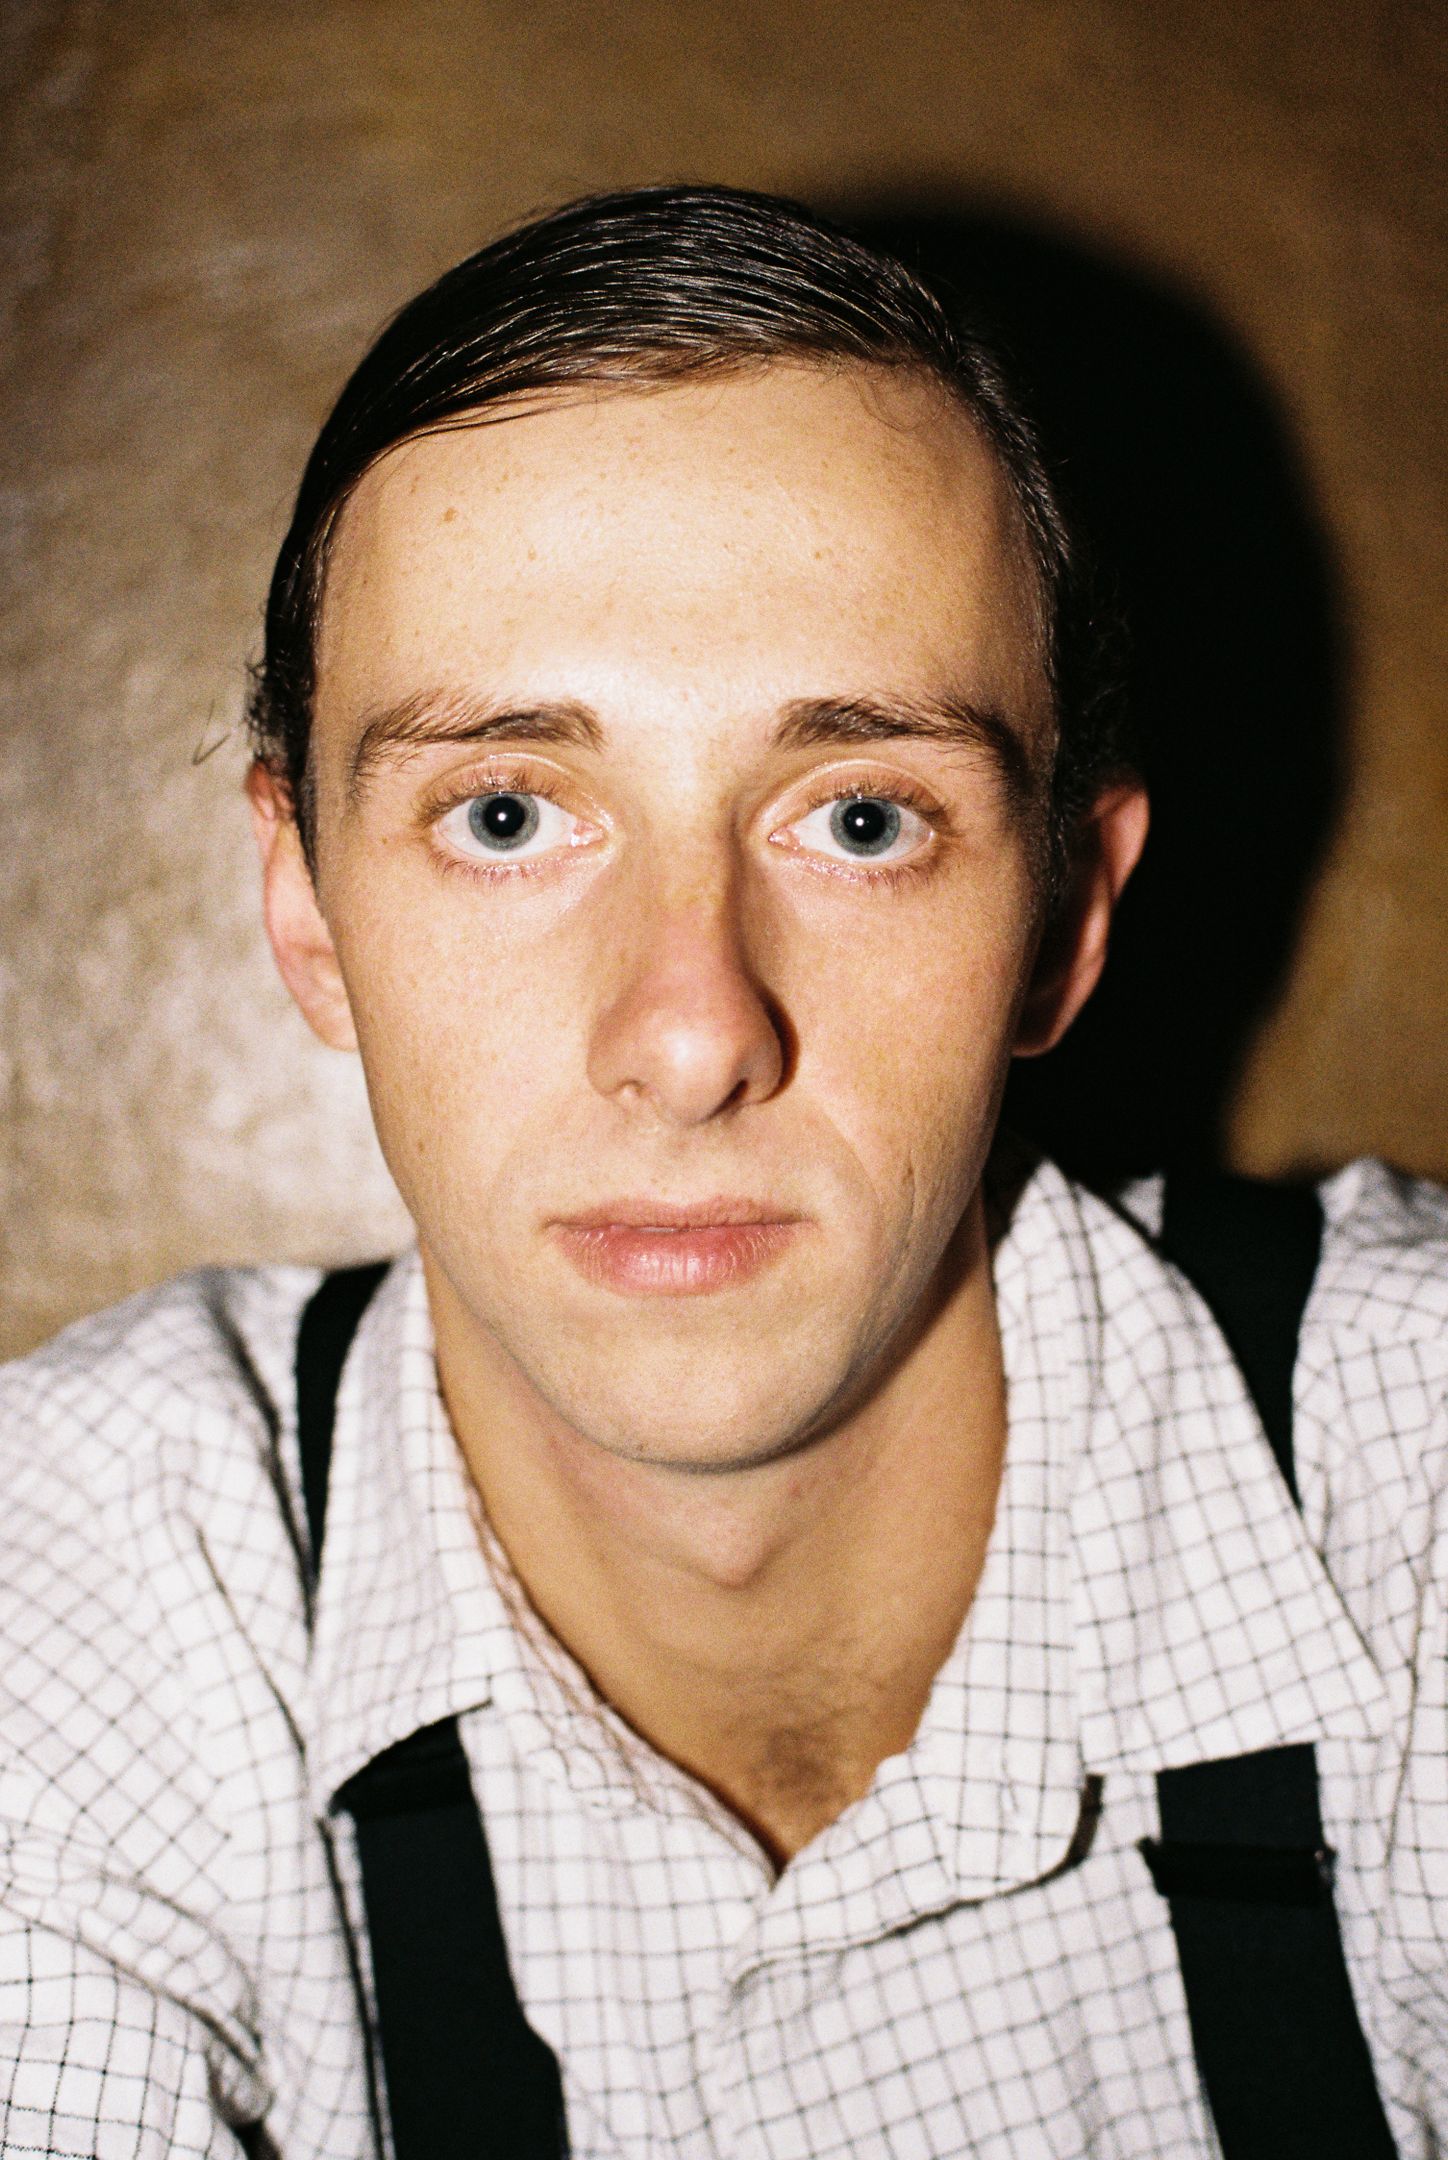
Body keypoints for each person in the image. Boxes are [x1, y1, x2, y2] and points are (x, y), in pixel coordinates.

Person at [0, 185, 1444, 2160]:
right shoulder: (89, 1598)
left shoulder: (1407, 1495)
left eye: (859, 819)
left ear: (1061, 920)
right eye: (507, 815)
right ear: (306, 907)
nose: (688, 1038)